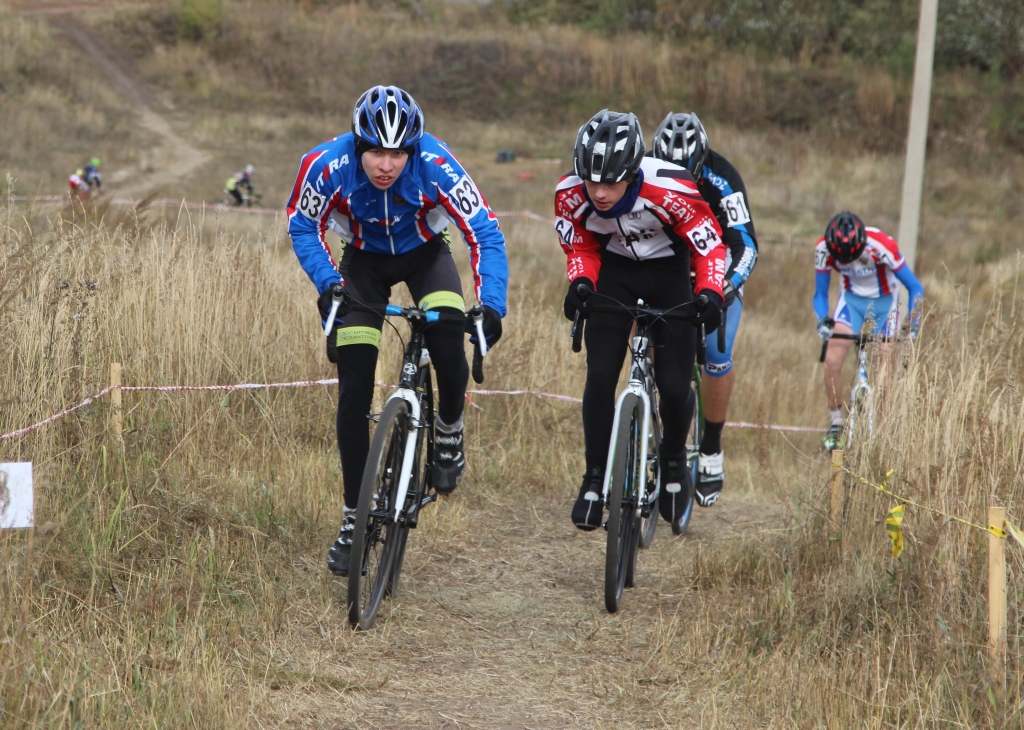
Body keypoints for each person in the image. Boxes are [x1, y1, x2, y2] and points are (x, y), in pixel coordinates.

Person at [287, 85, 508, 576]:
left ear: (413, 150)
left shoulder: (438, 164)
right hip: (363, 263)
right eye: (375, 152)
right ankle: (353, 518)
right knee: (354, 387)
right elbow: (303, 225)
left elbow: (485, 232)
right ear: (357, 145)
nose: (385, 165)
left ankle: (448, 428)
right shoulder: (327, 166)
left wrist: (491, 305)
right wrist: (328, 284)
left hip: (426, 256)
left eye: (397, 154)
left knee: (450, 340)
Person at [556, 109, 725, 532]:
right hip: (614, 271)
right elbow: (579, 246)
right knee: (599, 374)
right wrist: (581, 282)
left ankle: (671, 461)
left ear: (633, 172)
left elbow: (709, 248)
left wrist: (709, 292)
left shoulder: (673, 189)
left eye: (610, 182)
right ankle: (594, 478)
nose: (598, 192)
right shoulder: (568, 194)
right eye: (590, 179)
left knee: (673, 385)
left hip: (670, 273)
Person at [651, 112, 757, 507]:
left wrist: (726, 286)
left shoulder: (722, 177)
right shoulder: (641, 167)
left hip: (718, 265)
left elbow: (746, 244)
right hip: (666, 263)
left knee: (715, 352)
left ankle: (711, 447)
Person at [814, 211, 924, 449]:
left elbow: (915, 286)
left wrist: (913, 325)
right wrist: (823, 320)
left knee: (885, 362)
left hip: (885, 302)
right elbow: (821, 293)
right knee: (832, 360)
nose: (846, 261)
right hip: (852, 302)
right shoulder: (823, 249)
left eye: (851, 256)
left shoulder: (881, 245)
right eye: (840, 259)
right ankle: (836, 425)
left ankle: (886, 431)